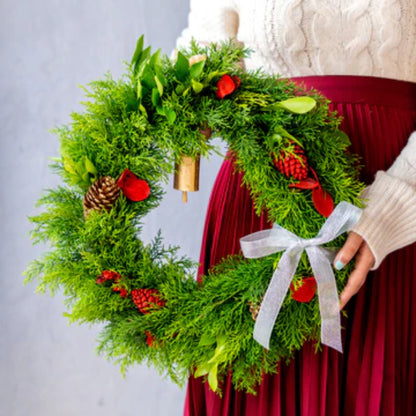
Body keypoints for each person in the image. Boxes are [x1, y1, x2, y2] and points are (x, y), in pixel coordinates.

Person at [176, 1, 416, 414]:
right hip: (263, 199)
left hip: (395, 212)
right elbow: (208, 53)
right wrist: (178, 105)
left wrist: (396, 205)